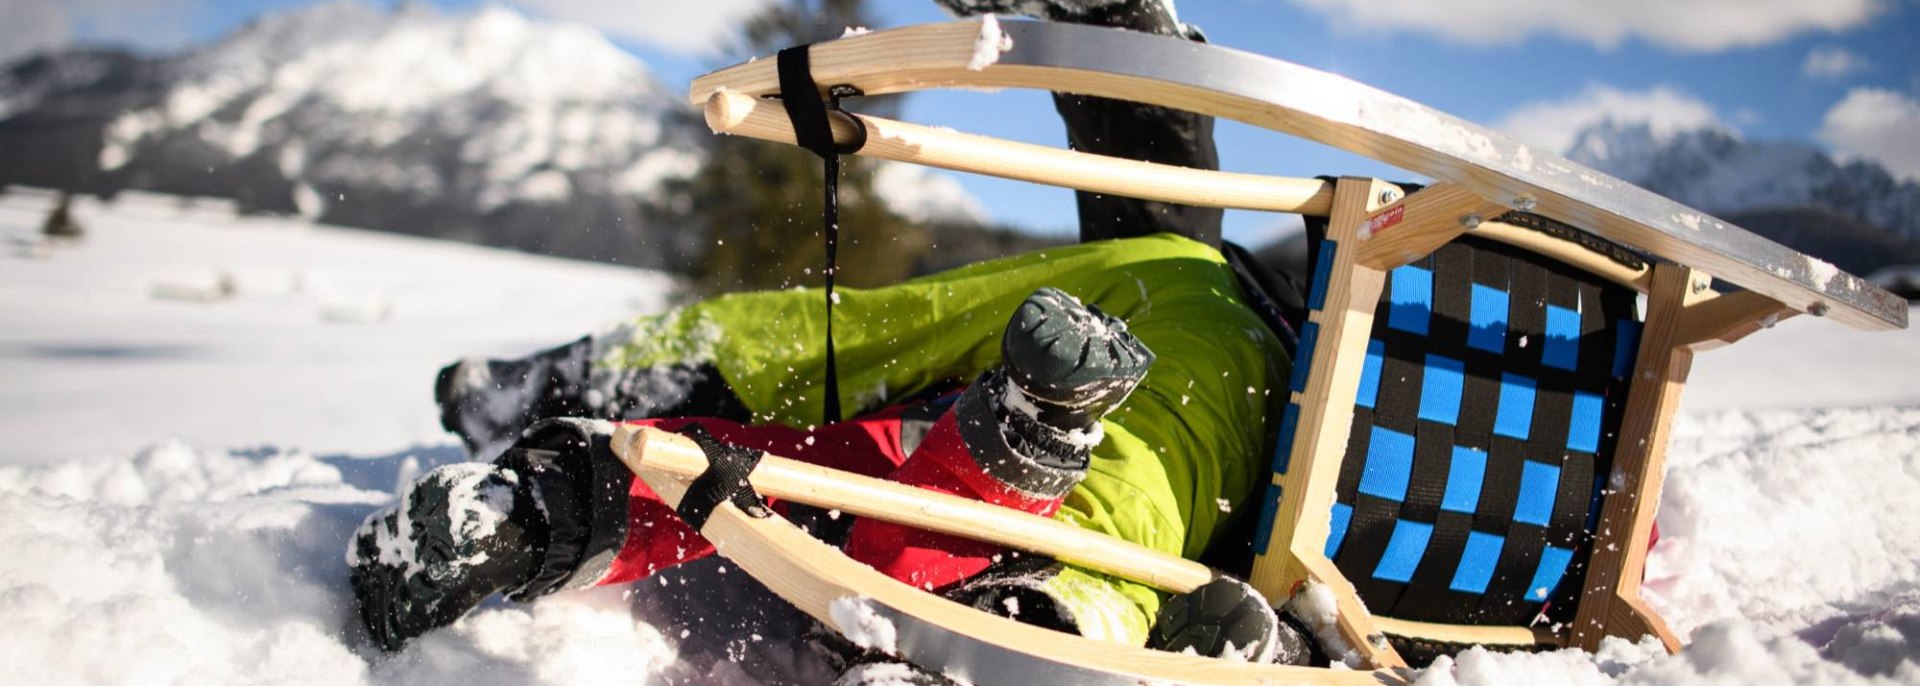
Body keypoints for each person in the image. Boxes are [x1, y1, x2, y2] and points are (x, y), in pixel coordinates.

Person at [347, 0, 1322, 679]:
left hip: (1274, 423)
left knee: (1154, 319)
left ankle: (1031, 605)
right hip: (1304, 425)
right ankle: (556, 470)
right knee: (893, 419)